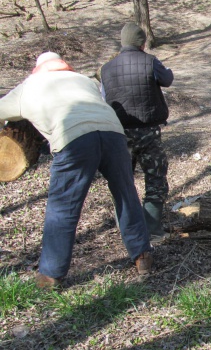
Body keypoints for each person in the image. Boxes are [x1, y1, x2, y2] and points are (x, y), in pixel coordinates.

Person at [0, 52, 153, 289]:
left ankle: (51, 274)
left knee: (64, 206)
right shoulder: (83, 79)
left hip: (74, 138)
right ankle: (143, 256)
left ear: (38, 69)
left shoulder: (29, 86)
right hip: (113, 133)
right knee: (126, 194)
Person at [100, 23, 173, 243]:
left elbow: (104, 98)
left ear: (123, 42)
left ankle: (128, 230)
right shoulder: (150, 61)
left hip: (118, 133)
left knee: (122, 181)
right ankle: (152, 229)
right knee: (155, 177)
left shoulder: (106, 68)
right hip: (148, 130)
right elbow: (167, 80)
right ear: (142, 43)